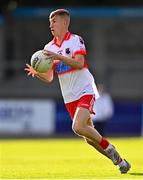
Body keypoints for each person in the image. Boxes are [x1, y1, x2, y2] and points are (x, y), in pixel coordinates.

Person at [24, 9, 131, 173]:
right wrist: (38, 73)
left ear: (65, 22)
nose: (51, 25)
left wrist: (58, 57)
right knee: (88, 138)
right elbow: (50, 78)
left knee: (78, 126)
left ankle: (109, 147)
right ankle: (121, 162)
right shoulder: (48, 47)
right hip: (69, 97)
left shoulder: (75, 40)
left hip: (85, 89)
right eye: (50, 22)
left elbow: (79, 63)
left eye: (54, 21)